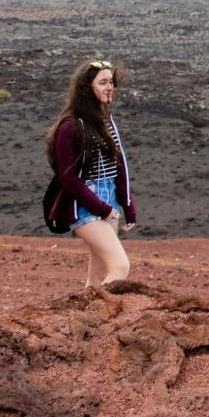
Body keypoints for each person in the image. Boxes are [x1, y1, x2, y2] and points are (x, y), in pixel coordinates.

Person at [44, 58, 138, 288]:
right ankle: (102, 317)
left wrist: (127, 206)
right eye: (103, 83)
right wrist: (101, 208)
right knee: (120, 266)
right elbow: (68, 178)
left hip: (110, 200)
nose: (110, 88)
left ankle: (85, 320)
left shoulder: (106, 121)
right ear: (88, 88)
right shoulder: (71, 126)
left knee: (97, 278)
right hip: (84, 205)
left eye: (111, 82)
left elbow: (120, 165)